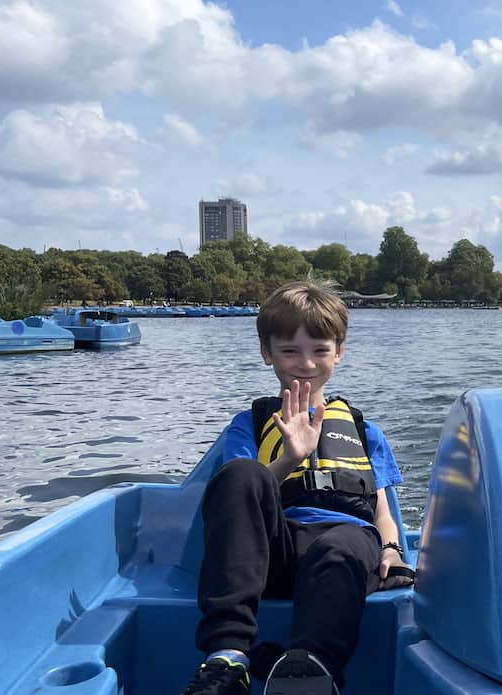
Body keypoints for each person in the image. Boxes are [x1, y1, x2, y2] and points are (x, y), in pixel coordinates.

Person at [180, 280, 414, 695]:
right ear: (267, 352)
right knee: (240, 474)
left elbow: (380, 506)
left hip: (345, 544)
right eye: (290, 350)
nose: (305, 363)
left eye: (320, 350)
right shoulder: (249, 423)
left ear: (338, 353)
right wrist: (290, 456)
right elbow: (241, 497)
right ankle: (228, 658)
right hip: (273, 551)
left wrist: (392, 551)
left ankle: (311, 669)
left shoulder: (363, 428)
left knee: (340, 545)